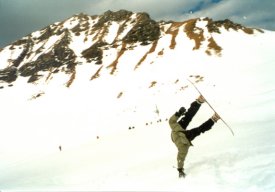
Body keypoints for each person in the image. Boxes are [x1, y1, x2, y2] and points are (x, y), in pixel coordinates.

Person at [169, 95, 220, 178]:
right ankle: (214, 119)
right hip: (182, 140)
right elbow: (180, 158)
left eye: (188, 133)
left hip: (177, 132)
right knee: (199, 130)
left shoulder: (175, 128)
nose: (190, 132)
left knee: (188, 116)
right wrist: (180, 170)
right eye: (189, 135)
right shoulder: (184, 147)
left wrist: (178, 113)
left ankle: (199, 101)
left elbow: (171, 121)